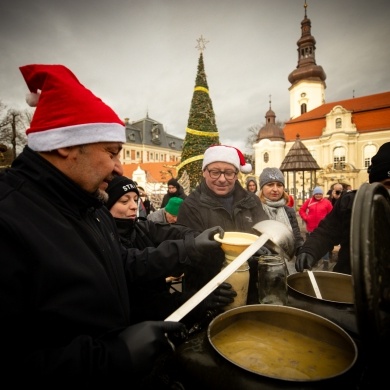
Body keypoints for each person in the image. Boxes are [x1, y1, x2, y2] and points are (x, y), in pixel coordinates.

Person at [0, 64, 226, 387]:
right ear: (65, 145)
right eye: (111, 152)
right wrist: (113, 356)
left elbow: (122, 263)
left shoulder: (88, 204)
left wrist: (189, 248)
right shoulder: (9, 220)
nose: (120, 167)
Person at [105, 175, 236, 327]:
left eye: (135, 199)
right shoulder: (108, 240)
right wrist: (197, 301)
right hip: (138, 326)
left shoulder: (140, 228)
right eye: (124, 201)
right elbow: (146, 295)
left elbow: (174, 232)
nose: (134, 206)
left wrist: (201, 237)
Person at [176, 144, 270, 302]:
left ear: (236, 175)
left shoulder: (252, 201)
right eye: (215, 172)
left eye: (228, 173)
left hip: (250, 287)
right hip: (211, 291)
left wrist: (264, 249)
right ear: (204, 172)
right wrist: (207, 290)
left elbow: (264, 234)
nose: (222, 179)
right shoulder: (191, 205)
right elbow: (189, 252)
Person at [295, 141, 390, 274]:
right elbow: (327, 232)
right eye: (388, 184)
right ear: (374, 184)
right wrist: (309, 250)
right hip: (347, 282)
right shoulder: (351, 202)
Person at [258, 167, 304, 256]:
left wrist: (302, 250)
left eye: (279, 185)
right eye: (270, 184)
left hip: (286, 262)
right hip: (262, 261)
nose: (275, 189)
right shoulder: (255, 209)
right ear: (262, 187)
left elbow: (296, 237)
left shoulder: (288, 211)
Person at [298, 186, 333, 269]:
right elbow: (301, 210)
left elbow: (332, 214)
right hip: (312, 227)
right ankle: (314, 261)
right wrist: (306, 218)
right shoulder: (309, 201)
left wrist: (328, 222)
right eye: (316, 194)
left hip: (324, 228)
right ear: (313, 194)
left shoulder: (327, 202)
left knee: (324, 244)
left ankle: (325, 263)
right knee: (312, 244)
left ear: (322, 194)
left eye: (320, 194)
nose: (318, 195)